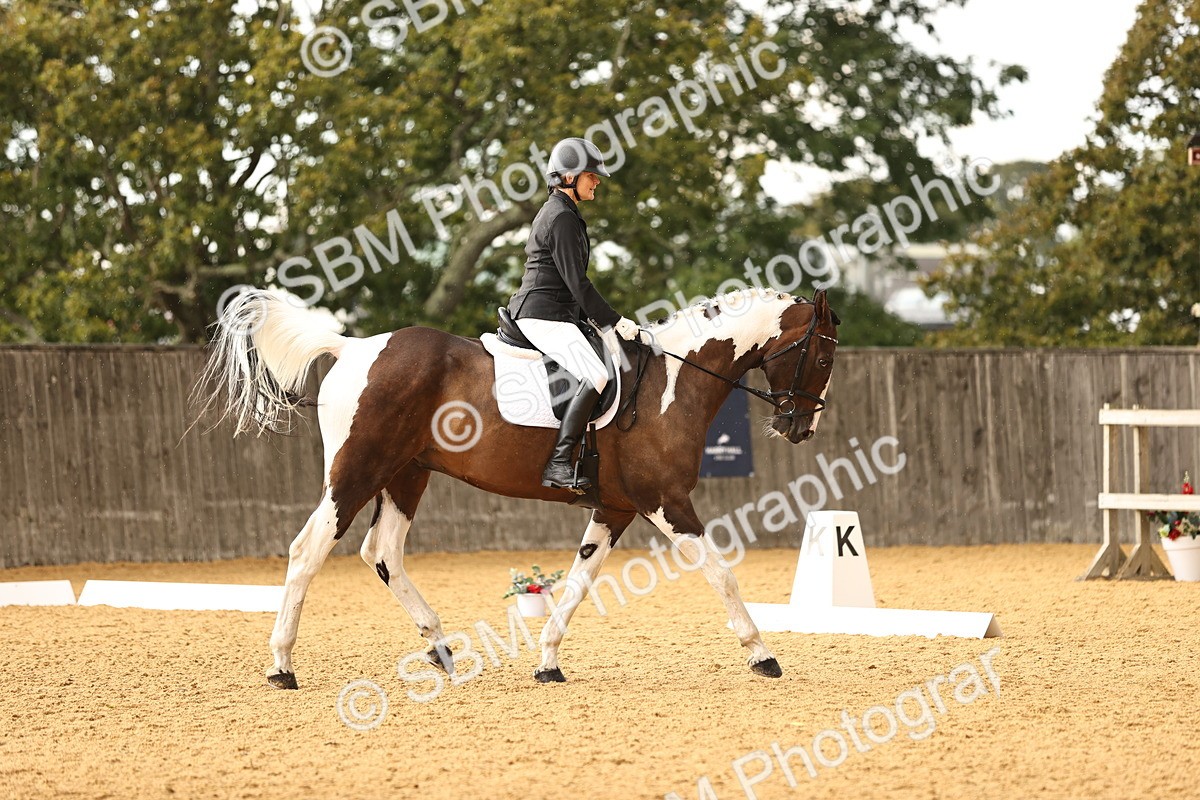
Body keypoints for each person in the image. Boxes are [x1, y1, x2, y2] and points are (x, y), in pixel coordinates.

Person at [507, 137, 642, 490]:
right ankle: (558, 463)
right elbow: (578, 285)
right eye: (590, 175)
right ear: (568, 177)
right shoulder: (561, 217)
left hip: (558, 313)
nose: (597, 180)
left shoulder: (565, 213)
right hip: (542, 314)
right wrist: (615, 321)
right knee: (597, 375)